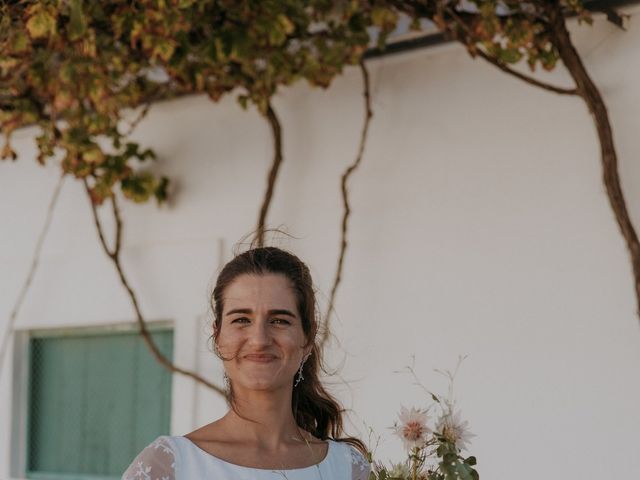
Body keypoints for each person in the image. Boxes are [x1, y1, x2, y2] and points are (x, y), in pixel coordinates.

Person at [122, 246, 371, 479]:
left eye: (279, 320)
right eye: (241, 319)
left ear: (307, 338)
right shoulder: (168, 466)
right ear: (218, 336)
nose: (259, 340)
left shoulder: (347, 468)